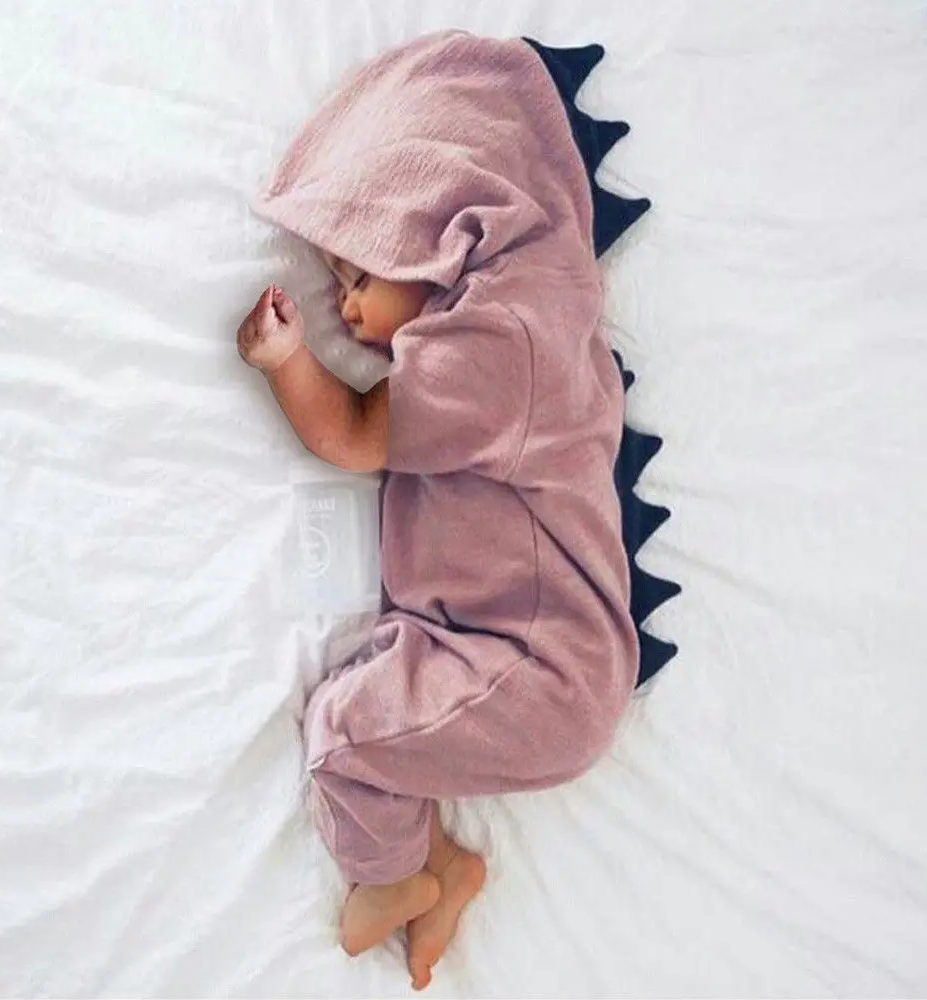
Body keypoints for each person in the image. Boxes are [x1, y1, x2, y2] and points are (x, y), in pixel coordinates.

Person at [237, 30, 639, 990]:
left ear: (438, 241)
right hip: (503, 649)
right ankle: (441, 870)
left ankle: (390, 877)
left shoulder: (501, 344)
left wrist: (286, 362)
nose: (345, 312)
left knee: (345, 736)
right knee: (367, 712)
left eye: (360, 280)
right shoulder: (533, 324)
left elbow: (351, 433)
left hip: (539, 671)